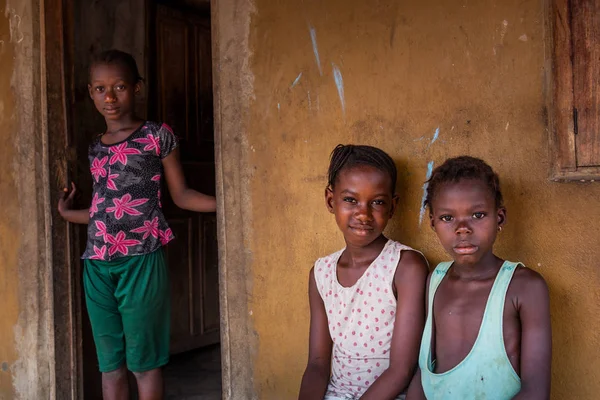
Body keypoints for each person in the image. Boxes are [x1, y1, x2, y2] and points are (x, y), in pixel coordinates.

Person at [57, 49, 216, 400]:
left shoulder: (157, 136)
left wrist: (227, 205)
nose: (110, 97)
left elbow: (182, 194)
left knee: (144, 361)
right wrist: (69, 214)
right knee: (109, 364)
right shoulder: (95, 149)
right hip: (97, 264)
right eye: (100, 89)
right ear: (90, 92)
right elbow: (105, 210)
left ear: (137, 88)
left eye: (120, 87)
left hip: (141, 259)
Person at [406, 156, 551, 400]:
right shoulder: (435, 280)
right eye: (447, 218)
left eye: (478, 215)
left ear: (499, 218)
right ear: (433, 223)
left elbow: (536, 392)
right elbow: (425, 376)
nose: (462, 228)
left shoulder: (524, 288)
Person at [298, 144, 429, 400]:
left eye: (377, 202)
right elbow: (317, 363)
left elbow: (402, 370)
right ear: (330, 200)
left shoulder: (405, 267)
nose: (363, 214)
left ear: (392, 206)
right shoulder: (321, 273)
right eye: (350, 200)